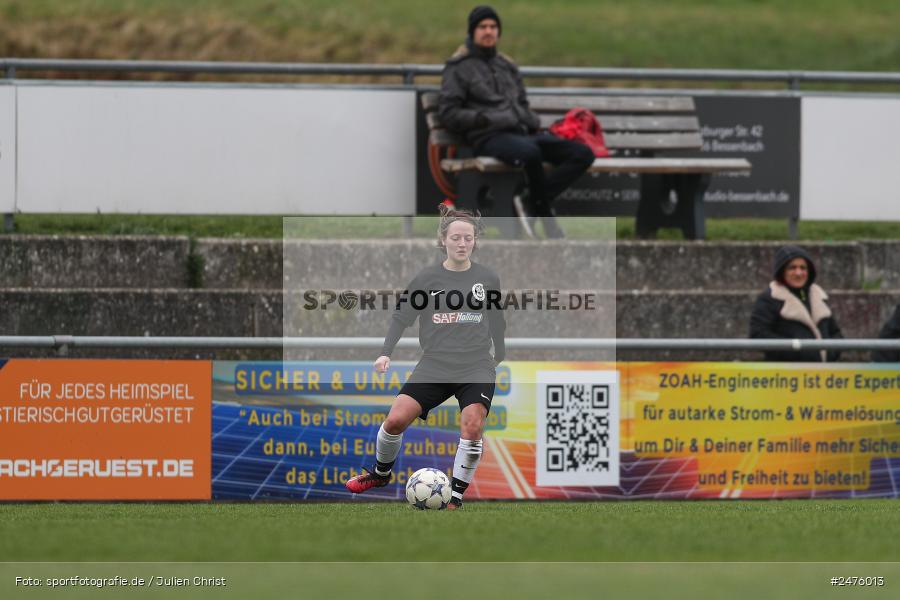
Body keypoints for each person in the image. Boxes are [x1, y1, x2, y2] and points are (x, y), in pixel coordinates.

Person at [345, 205, 506, 510]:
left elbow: (497, 320)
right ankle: (380, 474)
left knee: (472, 425)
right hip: (435, 363)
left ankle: (454, 498)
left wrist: (500, 352)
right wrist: (385, 353)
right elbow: (401, 317)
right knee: (394, 420)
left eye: (467, 238)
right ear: (443, 240)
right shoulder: (427, 278)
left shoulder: (487, 278)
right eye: (456, 237)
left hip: (475, 364)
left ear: (474, 241)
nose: (462, 243)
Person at [438, 5, 595, 239]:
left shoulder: (506, 66)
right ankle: (545, 215)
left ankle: (531, 200)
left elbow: (521, 102)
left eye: (493, 27)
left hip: (521, 134)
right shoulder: (459, 68)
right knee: (530, 153)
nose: (489, 31)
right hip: (488, 137)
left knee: (582, 154)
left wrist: (530, 119)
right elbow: (449, 113)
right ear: (472, 32)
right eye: (483, 27)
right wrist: (481, 119)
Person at [749, 245, 843, 362]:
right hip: (786, 375)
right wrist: (797, 351)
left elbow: (836, 333)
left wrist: (830, 353)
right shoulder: (769, 298)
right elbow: (758, 335)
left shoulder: (819, 296)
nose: (798, 273)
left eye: (803, 268)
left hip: (824, 374)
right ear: (782, 271)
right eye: (792, 268)